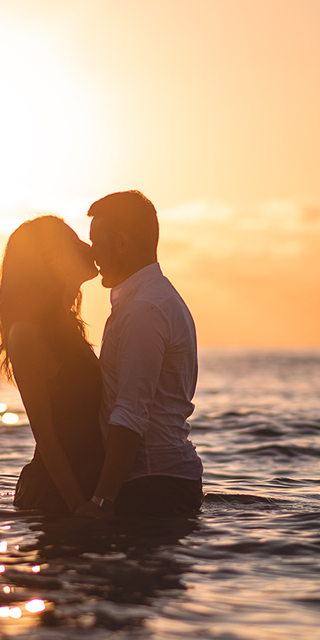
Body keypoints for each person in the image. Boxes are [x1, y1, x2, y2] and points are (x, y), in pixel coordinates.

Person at [75, 191, 204, 518]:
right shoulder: (150, 300)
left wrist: (101, 502)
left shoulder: (143, 310)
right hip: (159, 482)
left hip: (152, 487)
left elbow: (130, 414)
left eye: (97, 242)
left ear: (120, 243)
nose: (93, 255)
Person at [0, 215, 105, 516]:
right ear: (51, 259)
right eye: (74, 242)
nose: (88, 247)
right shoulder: (28, 332)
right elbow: (45, 432)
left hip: (85, 490)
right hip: (54, 499)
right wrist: (77, 506)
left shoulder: (68, 326)